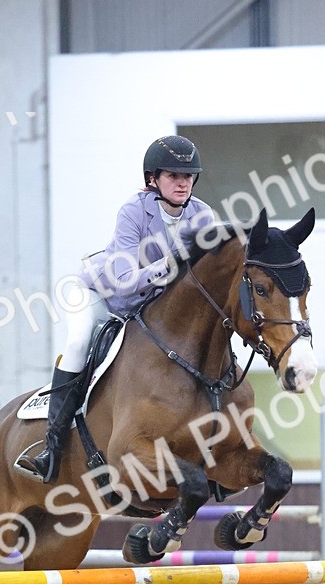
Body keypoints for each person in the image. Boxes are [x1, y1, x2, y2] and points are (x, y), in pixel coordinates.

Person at [15, 134, 215, 483]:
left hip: (148, 307)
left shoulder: (202, 215)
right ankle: (52, 447)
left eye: (188, 176)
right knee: (78, 342)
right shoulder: (133, 211)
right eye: (173, 175)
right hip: (101, 295)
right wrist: (171, 264)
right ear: (153, 178)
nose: (182, 183)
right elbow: (123, 280)